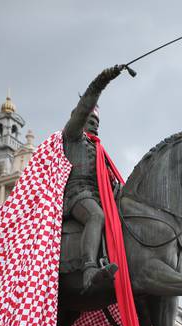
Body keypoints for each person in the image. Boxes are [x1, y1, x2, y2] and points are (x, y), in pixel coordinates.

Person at [61, 64, 125, 292]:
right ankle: (88, 267)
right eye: (90, 122)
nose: (95, 126)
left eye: (97, 123)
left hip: (98, 195)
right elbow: (84, 107)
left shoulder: (99, 151)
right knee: (96, 216)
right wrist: (101, 81)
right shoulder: (72, 138)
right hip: (76, 195)